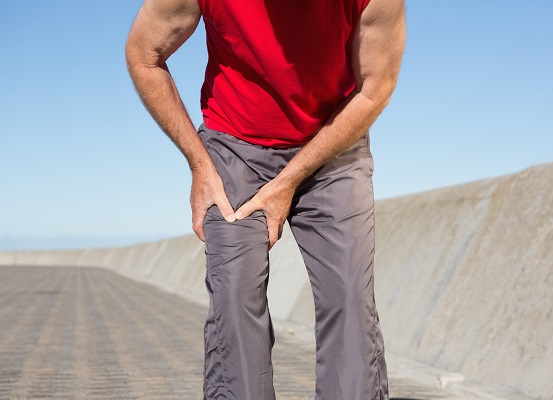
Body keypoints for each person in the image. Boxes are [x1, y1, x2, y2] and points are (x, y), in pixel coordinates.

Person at [126, 0, 405, 398]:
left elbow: (375, 88)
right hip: (234, 147)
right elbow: (143, 54)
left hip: (333, 148)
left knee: (349, 299)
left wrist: (288, 182)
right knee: (234, 295)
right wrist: (199, 164)